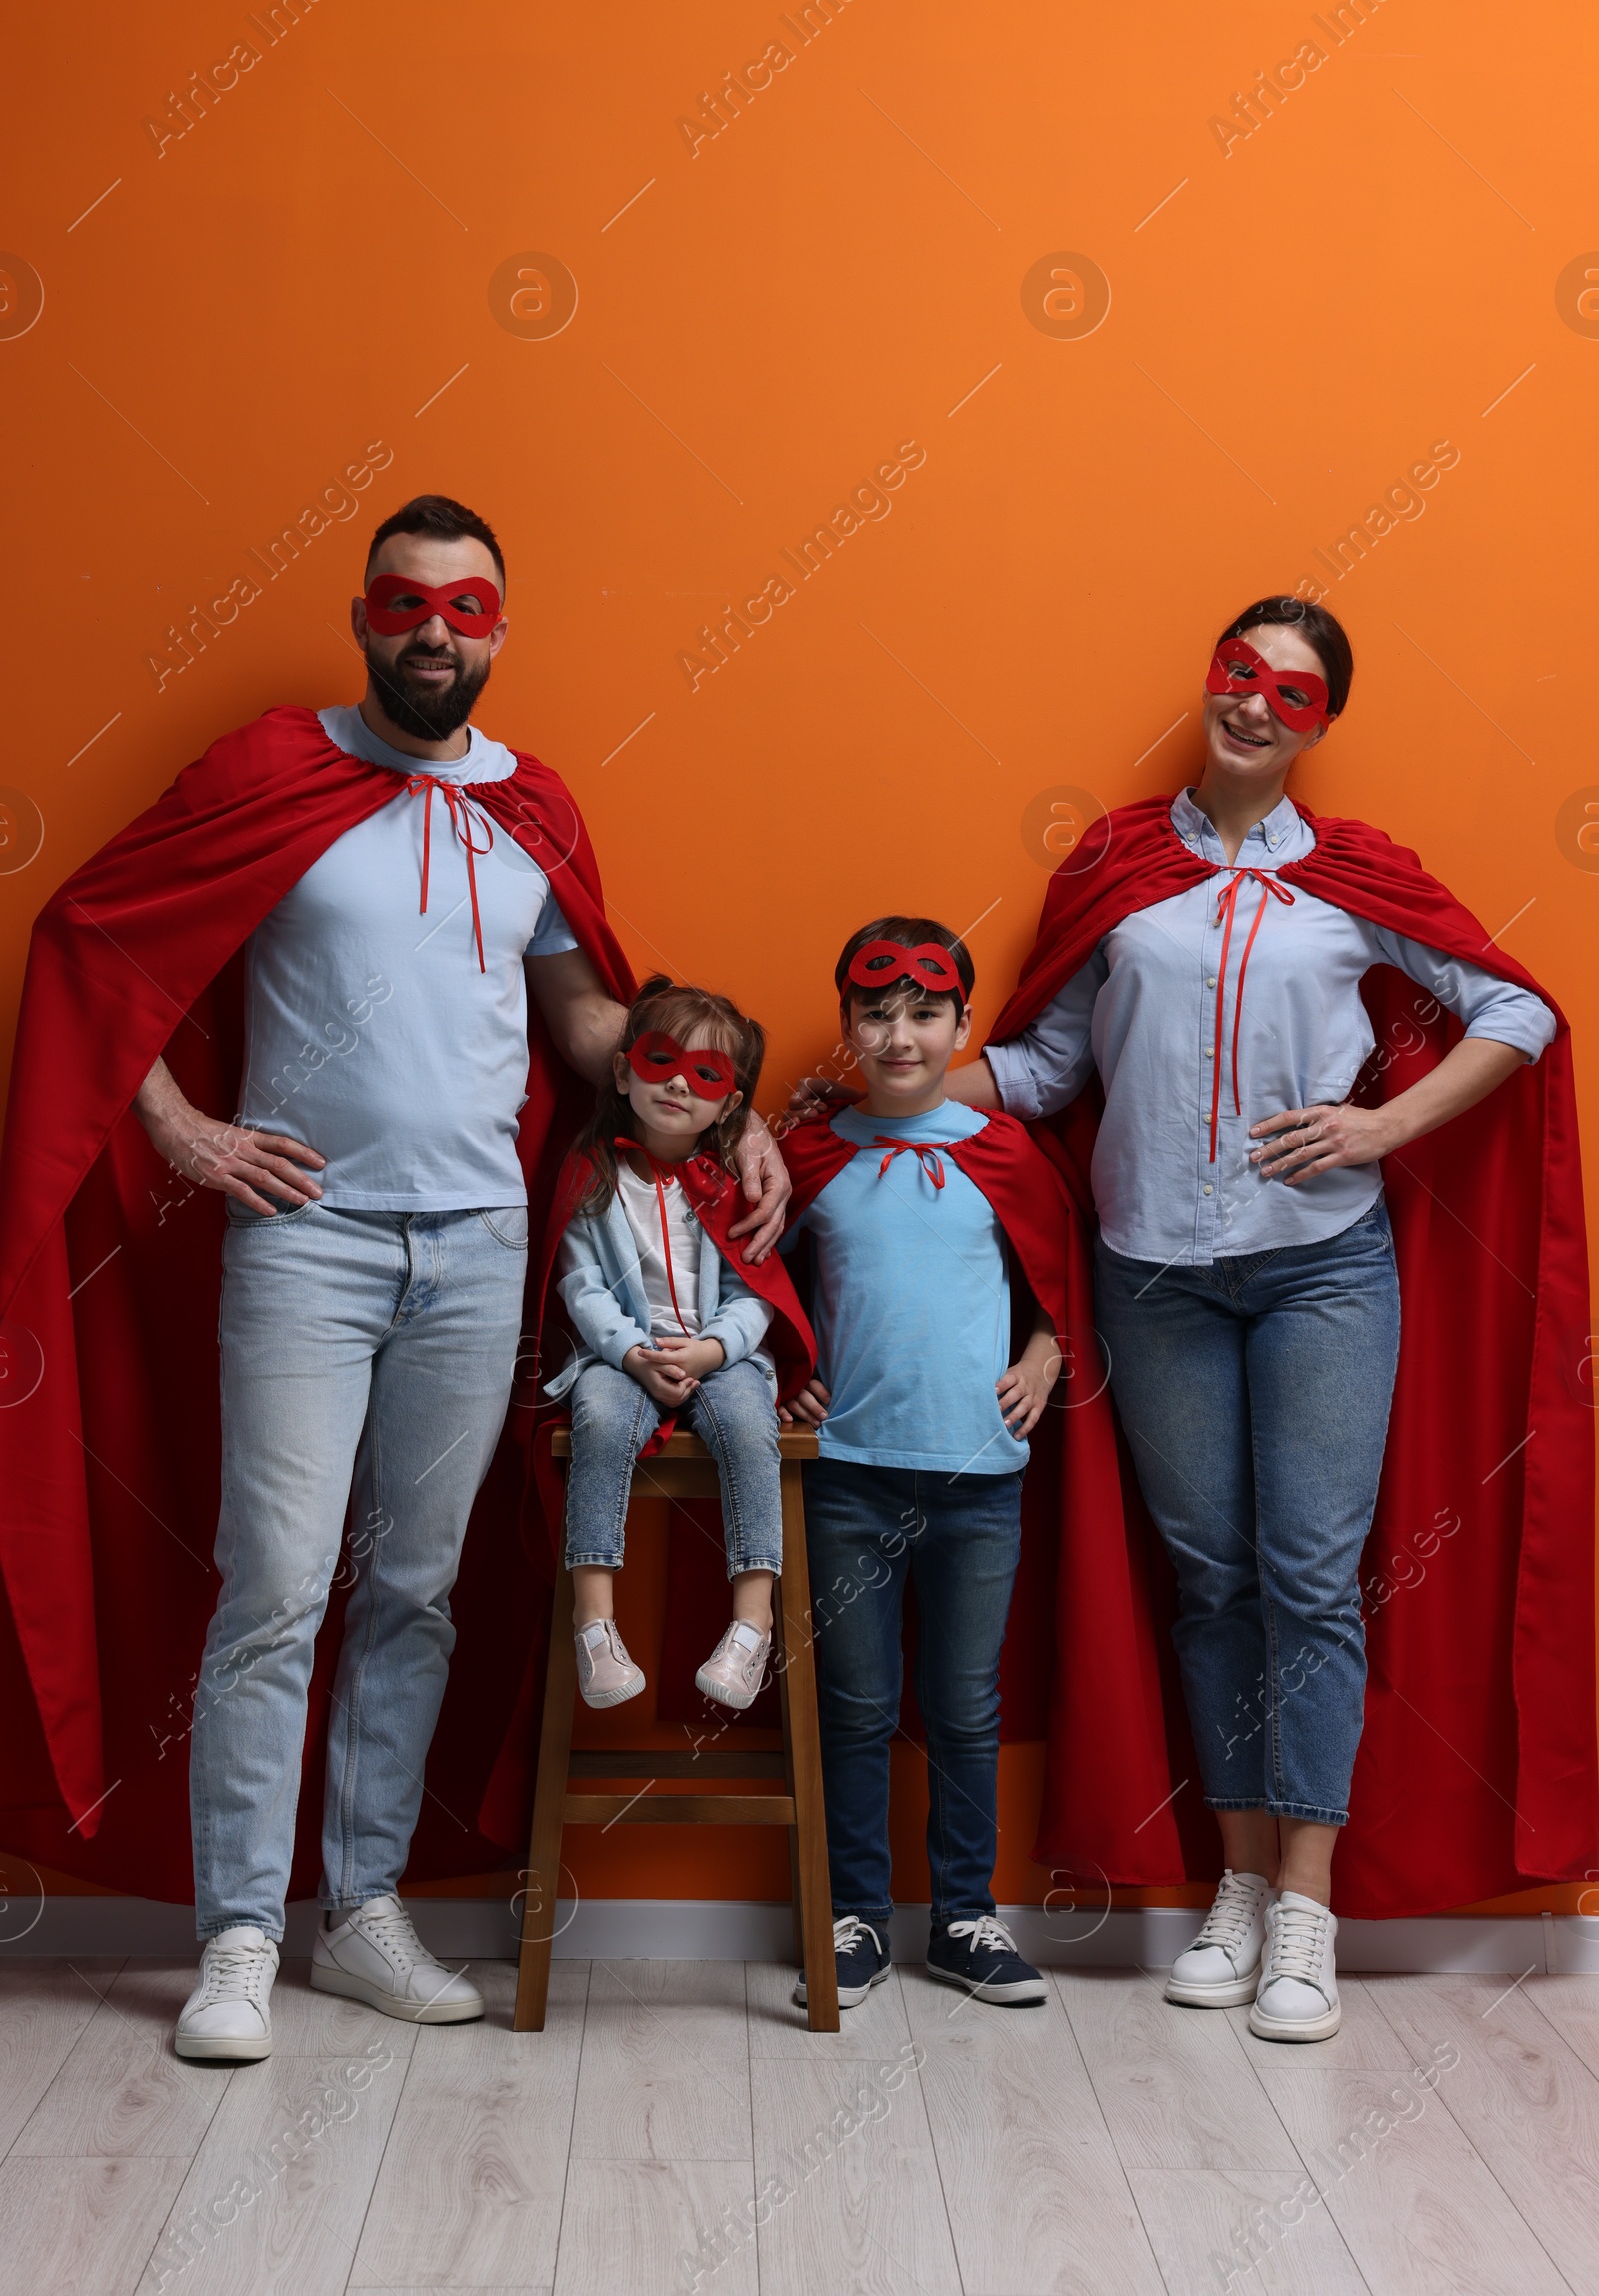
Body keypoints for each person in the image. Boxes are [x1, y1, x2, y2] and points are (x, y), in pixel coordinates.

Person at [0, 494, 789, 2065]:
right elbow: (97, 939)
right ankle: (238, 1931)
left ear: (499, 627)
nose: (437, 627)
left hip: (480, 1245)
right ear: (366, 615)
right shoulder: (269, 769)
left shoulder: (531, 806)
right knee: (275, 1580)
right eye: (407, 600)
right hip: (308, 1239)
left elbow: (586, 1029)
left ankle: (359, 1910)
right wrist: (185, 1130)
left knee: (413, 1587)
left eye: (469, 606)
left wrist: (733, 1104)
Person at [953, 596, 1585, 2039]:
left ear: (1320, 723)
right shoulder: (1115, 857)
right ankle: (1235, 1885)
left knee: (1308, 1575)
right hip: (1152, 1273)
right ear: (1211, 682)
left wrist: (1385, 1126)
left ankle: (1308, 1902)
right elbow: (1049, 1063)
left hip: (1320, 1269)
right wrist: (903, 1091)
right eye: (1240, 674)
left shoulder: (1356, 876)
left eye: (1291, 693)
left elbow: (1519, 1010)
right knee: (1214, 1580)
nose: (1255, 704)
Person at [777, 919, 1070, 2008]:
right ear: (848, 1020)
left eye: (925, 1013)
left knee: (964, 1707)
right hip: (847, 1470)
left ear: (960, 1023)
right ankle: (852, 1913)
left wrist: (1043, 1355)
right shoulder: (806, 1152)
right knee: (853, 1704)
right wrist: (775, 1371)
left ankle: (964, 1918)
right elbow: (739, 1279)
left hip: (979, 1478)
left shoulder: (1005, 1153)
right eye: (876, 1012)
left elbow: (1058, 1279)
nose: (899, 1035)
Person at [542, 979, 814, 1712]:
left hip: (717, 1356)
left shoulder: (730, 1182)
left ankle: (750, 1626)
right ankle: (593, 1622)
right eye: (660, 1061)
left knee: (749, 1422)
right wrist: (631, 1353)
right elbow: (580, 1286)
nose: (676, 1084)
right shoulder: (591, 1174)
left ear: (729, 1103)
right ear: (624, 1069)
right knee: (597, 1417)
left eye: (705, 1074)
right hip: (616, 1360)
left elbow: (756, 1291)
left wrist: (711, 1352)